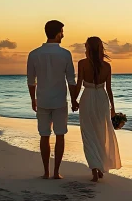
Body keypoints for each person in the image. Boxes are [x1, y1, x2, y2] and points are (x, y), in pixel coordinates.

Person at [26, 20, 79, 179]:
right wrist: (75, 99)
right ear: (57, 33)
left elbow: (31, 80)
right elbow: (71, 80)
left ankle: (46, 172)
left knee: (44, 135)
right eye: (62, 31)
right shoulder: (65, 54)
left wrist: (33, 99)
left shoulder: (34, 54)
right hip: (59, 101)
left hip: (42, 99)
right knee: (60, 135)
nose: (63, 34)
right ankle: (56, 172)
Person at [77, 36, 121, 182]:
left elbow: (78, 85)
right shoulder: (107, 66)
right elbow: (109, 89)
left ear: (89, 48)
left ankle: (94, 168)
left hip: (87, 97)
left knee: (88, 133)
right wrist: (112, 108)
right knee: (101, 133)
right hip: (102, 99)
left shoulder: (82, 64)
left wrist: (73, 100)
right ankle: (100, 165)